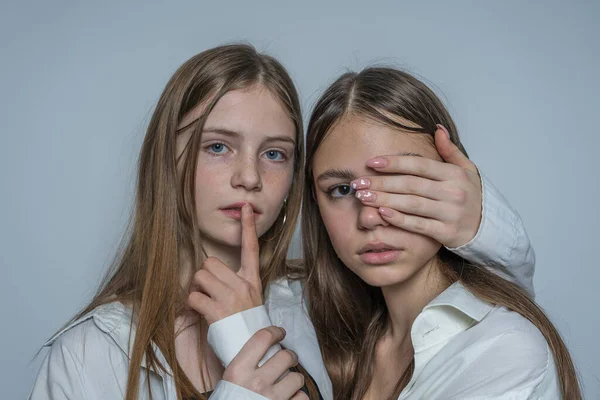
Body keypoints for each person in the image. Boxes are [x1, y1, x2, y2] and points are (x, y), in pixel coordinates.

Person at [299, 67, 580, 399]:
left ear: (453, 185)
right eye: (343, 190)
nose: (371, 217)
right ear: (316, 200)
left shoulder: (502, 349)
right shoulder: (332, 338)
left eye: (399, 183)